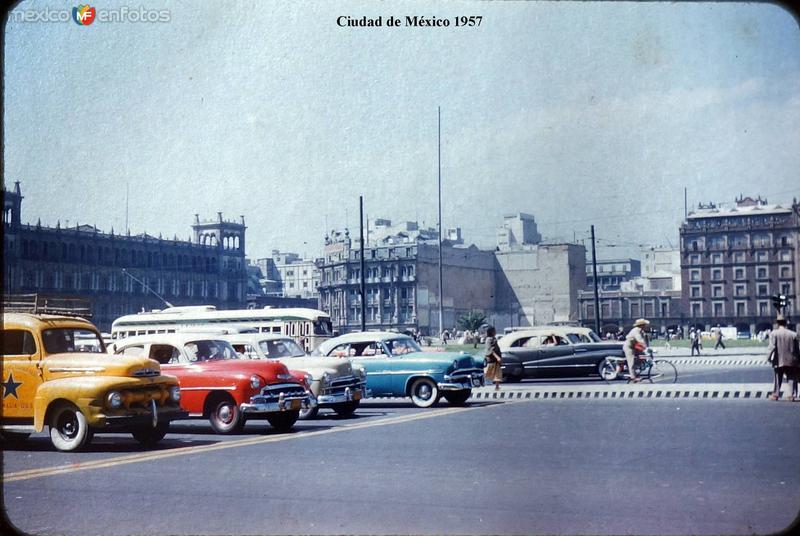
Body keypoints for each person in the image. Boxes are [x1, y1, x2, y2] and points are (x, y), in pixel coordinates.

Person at [766, 315, 799, 401]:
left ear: (777, 323)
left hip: (778, 359)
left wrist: (768, 358)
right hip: (791, 360)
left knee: (777, 377)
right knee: (791, 377)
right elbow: (797, 349)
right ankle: (791, 395)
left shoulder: (774, 333)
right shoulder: (793, 334)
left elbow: (771, 347)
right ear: (786, 323)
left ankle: (775, 394)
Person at [484, 326, 502, 391]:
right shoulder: (489, 339)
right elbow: (491, 350)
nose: (495, 332)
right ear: (491, 332)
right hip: (491, 359)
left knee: (497, 372)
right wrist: (497, 357)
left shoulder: (493, 339)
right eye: (494, 331)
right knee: (488, 372)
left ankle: (497, 386)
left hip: (496, 359)